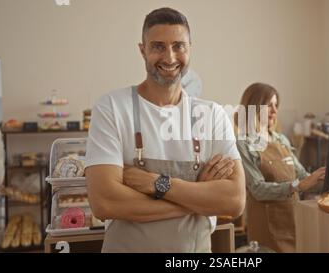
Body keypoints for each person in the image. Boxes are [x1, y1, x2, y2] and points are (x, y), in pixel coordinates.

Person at [85, 7, 245, 253]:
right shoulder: (112, 107)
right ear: (143, 50)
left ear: (190, 48)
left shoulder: (212, 114)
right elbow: (105, 202)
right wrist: (198, 199)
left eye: (178, 46)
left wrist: (156, 184)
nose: (170, 58)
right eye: (158, 46)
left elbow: (234, 201)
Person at [235, 83, 325, 253]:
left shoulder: (281, 139)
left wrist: (325, 177)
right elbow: (258, 189)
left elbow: (303, 176)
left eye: (276, 105)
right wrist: (297, 186)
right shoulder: (243, 144)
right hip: (267, 227)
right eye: (269, 106)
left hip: (293, 221)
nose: (275, 111)